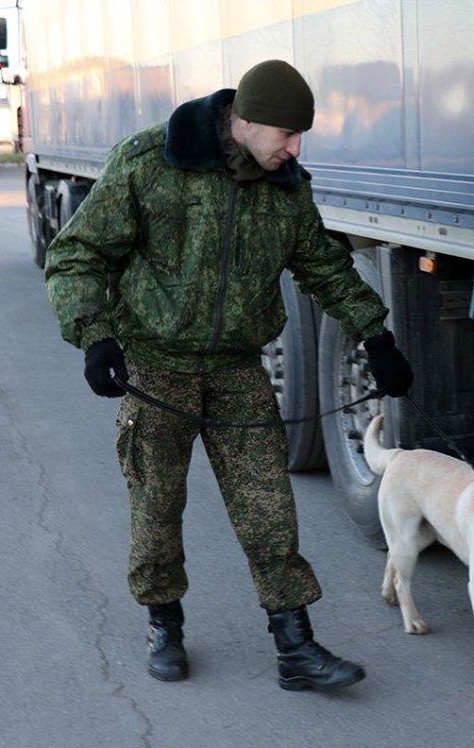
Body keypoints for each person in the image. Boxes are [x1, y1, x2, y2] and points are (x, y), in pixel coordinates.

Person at [45, 59, 413, 692]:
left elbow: (323, 265)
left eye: (301, 136)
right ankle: (164, 624)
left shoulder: (286, 188)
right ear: (244, 120)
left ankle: (295, 647)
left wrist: (375, 336)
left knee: (269, 509)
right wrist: (95, 335)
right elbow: (77, 252)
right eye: (287, 134)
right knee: (157, 508)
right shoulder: (150, 163)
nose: (295, 149)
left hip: (237, 370)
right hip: (155, 368)